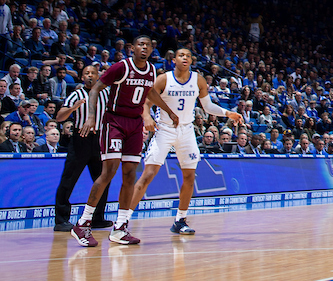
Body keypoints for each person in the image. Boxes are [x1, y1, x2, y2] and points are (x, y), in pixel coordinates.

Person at [71, 35, 178, 248]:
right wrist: (92, 116)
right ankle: (83, 223)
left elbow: (151, 92)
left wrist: (169, 111)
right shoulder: (120, 67)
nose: (145, 48)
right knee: (109, 172)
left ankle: (120, 227)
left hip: (135, 125)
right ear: (132, 48)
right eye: (141, 44)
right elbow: (95, 89)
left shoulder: (150, 70)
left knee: (130, 175)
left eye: (148, 45)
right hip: (115, 122)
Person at [124, 47, 244, 236]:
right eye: (181, 55)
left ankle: (180, 220)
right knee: (148, 175)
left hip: (186, 131)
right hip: (164, 129)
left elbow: (207, 106)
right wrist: (146, 117)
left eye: (188, 56)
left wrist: (227, 113)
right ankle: (123, 221)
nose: (185, 58)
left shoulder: (198, 80)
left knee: (189, 177)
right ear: (174, 60)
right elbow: (146, 102)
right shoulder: (164, 79)